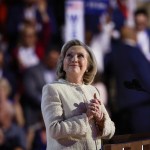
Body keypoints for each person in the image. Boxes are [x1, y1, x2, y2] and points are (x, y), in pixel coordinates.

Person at [41, 39, 115, 150]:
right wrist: (86, 117)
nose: (74, 59)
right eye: (69, 55)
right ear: (63, 64)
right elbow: (54, 129)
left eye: (80, 56)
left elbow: (111, 130)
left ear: (88, 66)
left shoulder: (93, 91)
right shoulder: (52, 89)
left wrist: (100, 120)